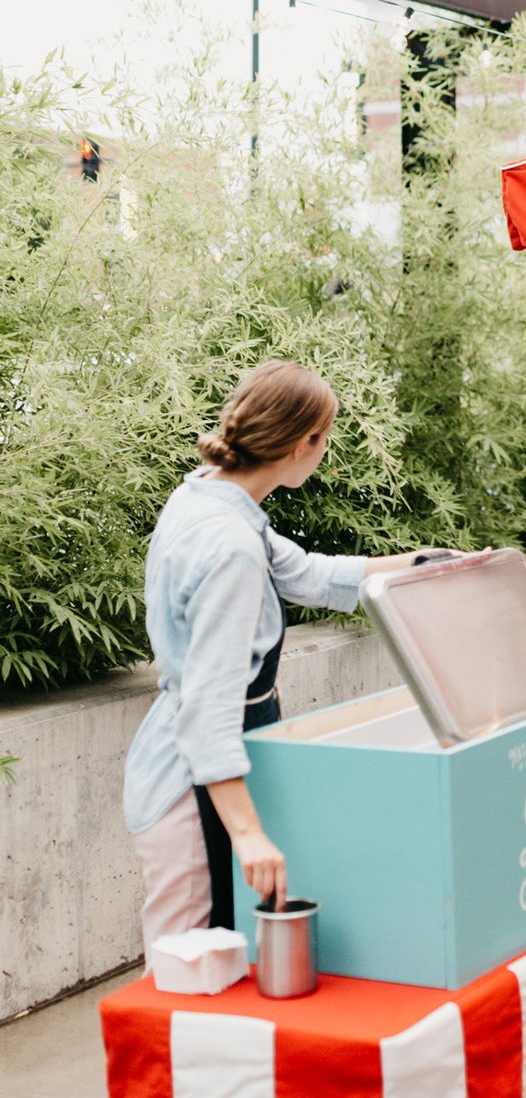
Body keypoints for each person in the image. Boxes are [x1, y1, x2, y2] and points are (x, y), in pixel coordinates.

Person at [125, 360, 439, 969]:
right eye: (327, 440)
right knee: (188, 978)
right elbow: (209, 709)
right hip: (189, 787)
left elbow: (307, 573)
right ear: (304, 444)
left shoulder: (208, 498)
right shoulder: (232, 549)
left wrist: (423, 562)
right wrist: (247, 832)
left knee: (212, 972)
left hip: (196, 769)